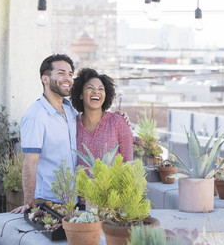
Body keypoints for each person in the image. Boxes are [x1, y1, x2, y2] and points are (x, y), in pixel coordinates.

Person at [11, 54, 78, 214]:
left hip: (72, 201)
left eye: (70, 74)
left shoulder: (70, 110)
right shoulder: (36, 116)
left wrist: (117, 117)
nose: (67, 78)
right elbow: (30, 163)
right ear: (45, 79)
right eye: (61, 73)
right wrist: (28, 204)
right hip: (48, 203)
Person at [70, 68, 133, 167]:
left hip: (112, 182)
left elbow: (129, 163)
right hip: (79, 182)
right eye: (90, 88)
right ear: (81, 94)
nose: (96, 92)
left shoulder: (118, 122)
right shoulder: (72, 124)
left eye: (101, 89)